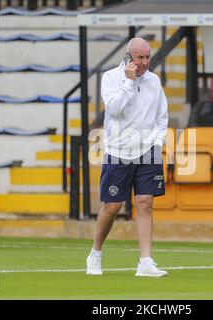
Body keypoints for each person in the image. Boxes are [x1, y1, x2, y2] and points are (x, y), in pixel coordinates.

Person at [86, 37, 169, 277]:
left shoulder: (154, 81)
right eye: (140, 58)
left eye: (147, 57)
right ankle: (95, 253)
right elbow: (114, 109)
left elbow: (162, 115)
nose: (144, 62)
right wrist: (129, 84)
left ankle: (145, 262)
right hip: (118, 152)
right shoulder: (111, 78)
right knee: (113, 206)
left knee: (146, 203)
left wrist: (157, 141)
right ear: (129, 57)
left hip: (147, 152)